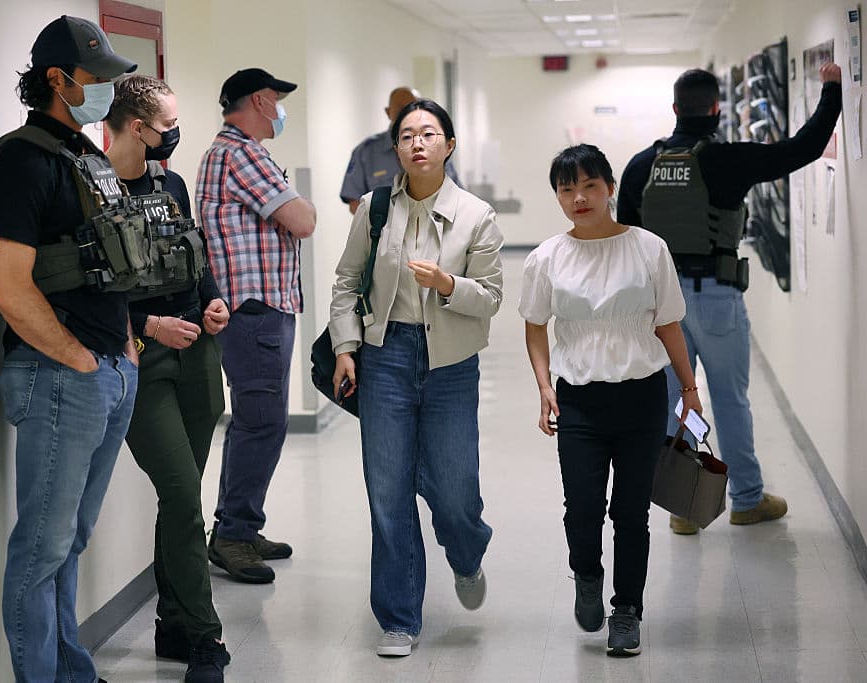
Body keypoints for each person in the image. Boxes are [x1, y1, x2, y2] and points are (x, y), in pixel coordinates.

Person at [618, 63, 843, 534]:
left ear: (675, 109)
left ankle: (684, 509)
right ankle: (745, 499)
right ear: (717, 108)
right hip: (717, 298)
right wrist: (832, 89)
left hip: (662, 306)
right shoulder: (728, 159)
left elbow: (626, 238)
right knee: (729, 400)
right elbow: (803, 148)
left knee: (675, 402)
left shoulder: (642, 165)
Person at [0, 16, 138, 682]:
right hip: (57, 376)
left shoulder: (89, 158)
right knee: (42, 548)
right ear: (58, 79)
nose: (106, 89)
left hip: (106, 372)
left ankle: (73, 670)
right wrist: (77, 359)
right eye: (96, 77)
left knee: (68, 539)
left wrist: (123, 351)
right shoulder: (22, 163)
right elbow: (9, 287)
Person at [330, 99, 503, 657]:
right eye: (407, 136)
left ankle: (466, 551)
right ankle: (400, 618)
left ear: (449, 146)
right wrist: (346, 348)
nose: (417, 143)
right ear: (396, 148)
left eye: (429, 134)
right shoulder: (376, 209)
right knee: (388, 490)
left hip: (451, 362)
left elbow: (492, 299)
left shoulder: (478, 215)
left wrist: (449, 284)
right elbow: (346, 282)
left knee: (455, 493)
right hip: (386, 357)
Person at [520, 145, 701, 658]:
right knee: (581, 507)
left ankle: (627, 611)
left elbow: (668, 324)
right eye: (566, 188)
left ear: (610, 188)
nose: (579, 198)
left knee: (630, 512)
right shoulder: (547, 257)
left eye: (589, 186)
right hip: (578, 399)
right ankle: (587, 573)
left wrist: (688, 390)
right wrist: (544, 384)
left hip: (642, 397)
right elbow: (535, 326)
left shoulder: (648, 249)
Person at [104, 74, 231, 683]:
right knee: (183, 495)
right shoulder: (93, 189)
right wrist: (148, 325)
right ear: (136, 127)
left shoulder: (171, 184)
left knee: (181, 498)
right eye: (167, 126)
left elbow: (195, 258)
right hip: (142, 361)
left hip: (197, 355)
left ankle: (173, 624)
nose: (176, 136)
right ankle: (207, 639)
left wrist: (212, 304)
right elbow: (84, 292)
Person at [195, 68, 317, 584]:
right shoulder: (240, 153)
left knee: (261, 420)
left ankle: (242, 525)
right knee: (261, 420)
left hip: (260, 306)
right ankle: (232, 536)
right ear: (262, 101)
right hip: (253, 310)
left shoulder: (235, 152)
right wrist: (298, 201)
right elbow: (304, 220)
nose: (281, 111)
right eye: (278, 102)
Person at [340, 87, 461, 214]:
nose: (408, 114)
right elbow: (355, 202)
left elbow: (455, 193)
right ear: (397, 150)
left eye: (413, 107)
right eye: (407, 138)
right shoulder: (366, 152)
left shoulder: (435, 149)